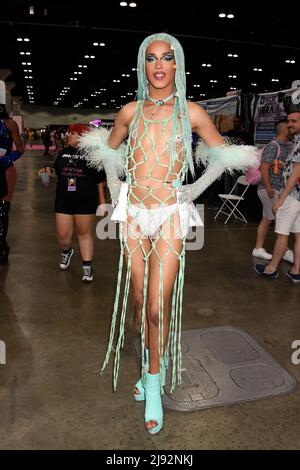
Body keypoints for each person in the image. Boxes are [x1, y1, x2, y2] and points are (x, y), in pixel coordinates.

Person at [79, 33, 259, 434]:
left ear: (177, 64)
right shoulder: (130, 111)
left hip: (171, 216)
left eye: (166, 58)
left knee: (159, 306)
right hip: (133, 214)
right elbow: (109, 151)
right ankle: (146, 367)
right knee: (141, 300)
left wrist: (194, 190)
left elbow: (226, 154)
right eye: (151, 58)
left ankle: (155, 386)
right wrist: (114, 189)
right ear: (143, 66)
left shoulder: (191, 112)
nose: (159, 65)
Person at [53, 123, 106, 282]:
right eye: (69, 133)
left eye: (74, 133)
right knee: (63, 236)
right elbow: (59, 172)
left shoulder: (93, 154)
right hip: (64, 199)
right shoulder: (63, 152)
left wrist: (102, 201)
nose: (69, 135)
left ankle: (87, 267)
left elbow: (99, 180)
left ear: (83, 136)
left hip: (86, 200)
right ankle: (66, 252)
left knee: (84, 233)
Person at [254, 111, 300, 281]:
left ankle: (271, 269)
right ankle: (296, 271)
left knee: (282, 234)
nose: (290, 124)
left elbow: (296, 172)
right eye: (289, 121)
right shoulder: (293, 142)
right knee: (298, 234)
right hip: (296, 195)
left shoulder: (299, 142)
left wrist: (281, 197)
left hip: (291, 195)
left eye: (294, 121)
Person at [252, 120, 294, 261]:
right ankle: (285, 251)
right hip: (271, 189)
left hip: (277, 189)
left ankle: (258, 248)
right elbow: (264, 168)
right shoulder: (273, 146)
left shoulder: (288, 145)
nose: (293, 130)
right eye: (290, 128)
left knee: (268, 218)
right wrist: (269, 187)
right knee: (279, 219)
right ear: (284, 131)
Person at [0, 103, 24, 265]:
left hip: (5, 169)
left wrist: (4, 160)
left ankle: (1, 246)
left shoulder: (9, 124)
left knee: (2, 210)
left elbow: (20, 149)